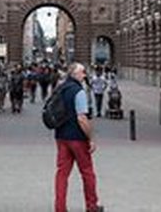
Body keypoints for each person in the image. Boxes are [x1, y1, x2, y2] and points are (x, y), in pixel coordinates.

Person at [52, 62, 104, 212]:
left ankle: (60, 208)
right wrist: (91, 138)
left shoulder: (60, 88)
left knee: (62, 173)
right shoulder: (78, 91)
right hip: (77, 139)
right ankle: (92, 206)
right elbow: (82, 118)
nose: (84, 75)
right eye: (82, 72)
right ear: (74, 74)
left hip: (61, 137)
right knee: (87, 172)